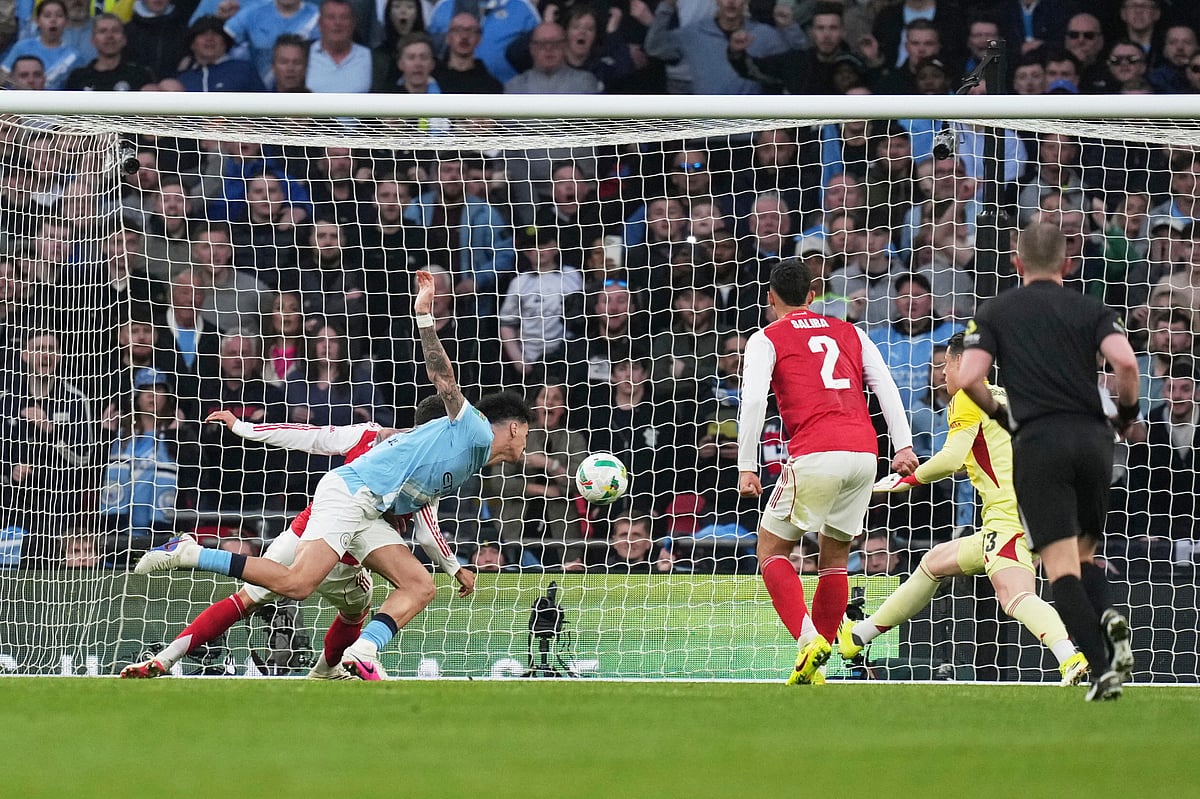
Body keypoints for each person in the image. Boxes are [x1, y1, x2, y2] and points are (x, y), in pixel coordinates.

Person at [135, 270, 533, 681]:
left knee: (419, 585)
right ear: (516, 427)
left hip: (366, 517)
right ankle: (190, 553)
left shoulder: (459, 463)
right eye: (528, 434)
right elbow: (442, 381)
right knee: (295, 585)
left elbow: (426, 523)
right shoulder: (471, 427)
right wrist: (424, 316)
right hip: (345, 499)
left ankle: (354, 656)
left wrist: (452, 568)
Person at [121, 396, 470, 679]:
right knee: (355, 608)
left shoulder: (371, 435)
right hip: (348, 548)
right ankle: (328, 670)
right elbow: (427, 530)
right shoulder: (430, 465)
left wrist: (245, 427)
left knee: (247, 600)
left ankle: (167, 657)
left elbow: (309, 435)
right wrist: (454, 568)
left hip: (309, 528)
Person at [956, 222, 1141, 702]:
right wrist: (1125, 414)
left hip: (1040, 443)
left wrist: (1000, 413)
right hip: (1093, 441)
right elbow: (1126, 364)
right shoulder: (1090, 308)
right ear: (1067, 263)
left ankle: (1102, 668)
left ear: (1016, 264)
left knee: (1060, 569)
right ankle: (1109, 616)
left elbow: (971, 375)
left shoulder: (996, 311)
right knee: (1086, 555)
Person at [843, 332, 1090, 687]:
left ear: (963, 362)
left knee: (1014, 596)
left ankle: (1069, 658)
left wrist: (904, 482)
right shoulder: (1006, 397)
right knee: (934, 562)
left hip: (1010, 518)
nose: (942, 374)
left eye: (945, 365)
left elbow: (951, 458)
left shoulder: (966, 397)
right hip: (1035, 512)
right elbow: (981, 456)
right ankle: (858, 636)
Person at [736, 257, 917, 685]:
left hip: (816, 452)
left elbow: (755, 402)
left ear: (770, 298)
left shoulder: (766, 338)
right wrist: (904, 445)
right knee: (834, 557)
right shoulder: (850, 331)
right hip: (864, 454)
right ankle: (818, 665)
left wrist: (747, 466)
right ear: (813, 297)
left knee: (771, 550)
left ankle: (806, 640)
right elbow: (885, 385)